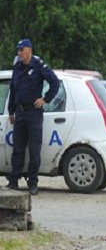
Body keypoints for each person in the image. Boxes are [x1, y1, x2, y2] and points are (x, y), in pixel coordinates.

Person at [6, 39, 59, 195]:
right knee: (18, 149)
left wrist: (45, 99)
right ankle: (14, 181)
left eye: (21, 50)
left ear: (29, 50)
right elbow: (13, 90)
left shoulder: (38, 65)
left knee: (34, 150)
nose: (19, 53)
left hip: (33, 113)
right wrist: (11, 111)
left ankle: (33, 183)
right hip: (20, 113)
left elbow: (54, 83)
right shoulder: (17, 67)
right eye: (18, 50)